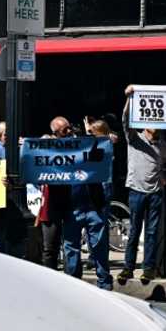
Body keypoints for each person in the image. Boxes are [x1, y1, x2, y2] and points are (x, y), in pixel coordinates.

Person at [117, 86, 166, 285]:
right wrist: (129, 98)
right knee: (134, 230)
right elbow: (125, 121)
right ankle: (128, 268)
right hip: (136, 191)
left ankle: (148, 269)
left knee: (152, 232)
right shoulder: (135, 139)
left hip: (155, 193)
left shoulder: (162, 145)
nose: (155, 126)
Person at [64, 121, 113, 291]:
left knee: (99, 248)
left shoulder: (98, 146)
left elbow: (109, 141)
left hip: (95, 205)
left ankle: (105, 285)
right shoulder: (64, 150)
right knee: (71, 248)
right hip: (72, 206)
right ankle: (73, 286)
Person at [39, 117, 74, 269]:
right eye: (65, 130)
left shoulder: (75, 144)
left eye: (69, 127)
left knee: (71, 245)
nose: (69, 131)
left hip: (70, 199)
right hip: (50, 202)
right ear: (55, 133)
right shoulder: (46, 143)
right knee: (50, 247)